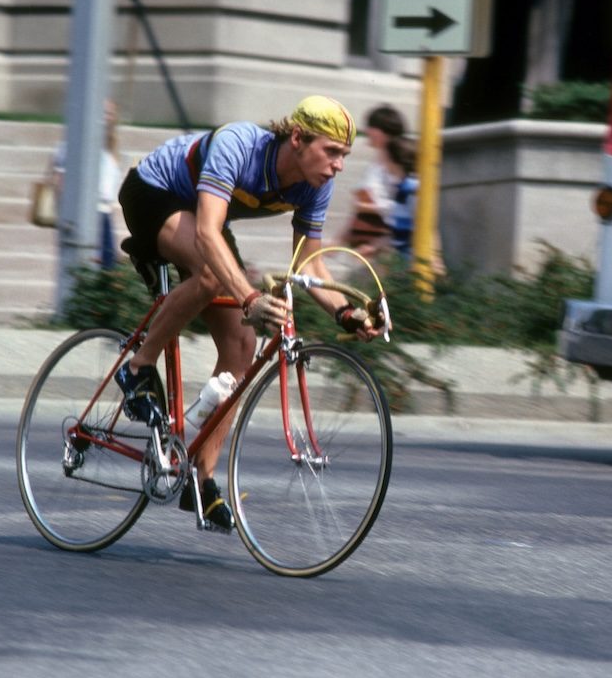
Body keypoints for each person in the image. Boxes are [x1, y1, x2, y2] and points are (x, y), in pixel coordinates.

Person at [114, 95, 385, 532]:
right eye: (331, 152)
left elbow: (308, 263)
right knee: (209, 276)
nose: (338, 165)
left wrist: (348, 315)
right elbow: (206, 232)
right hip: (153, 195)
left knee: (242, 344)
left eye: (345, 156)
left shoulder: (316, 184)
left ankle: (200, 481)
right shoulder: (239, 145)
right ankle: (138, 367)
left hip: (202, 218)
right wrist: (250, 299)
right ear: (297, 138)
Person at [48, 99, 122, 269]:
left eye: (109, 114)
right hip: (86, 214)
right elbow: (60, 182)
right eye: (102, 112)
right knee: (88, 271)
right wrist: (66, 217)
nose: (106, 118)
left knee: (107, 271)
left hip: (104, 217)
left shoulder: (110, 147)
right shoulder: (72, 145)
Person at [340, 104, 406, 257]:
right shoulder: (378, 161)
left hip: (388, 242)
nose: (367, 131)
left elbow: (405, 204)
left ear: (381, 132)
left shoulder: (396, 163)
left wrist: (370, 207)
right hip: (370, 242)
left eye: (371, 126)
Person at [384, 136, 419, 261]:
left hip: (410, 258)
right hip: (400, 256)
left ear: (395, 161)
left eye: (386, 158)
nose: (384, 162)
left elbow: (424, 223)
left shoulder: (411, 188)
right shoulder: (402, 187)